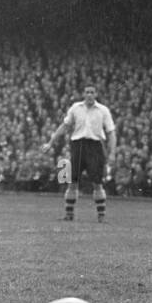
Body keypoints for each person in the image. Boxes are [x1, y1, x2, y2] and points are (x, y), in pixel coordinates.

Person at [42, 84, 116, 222]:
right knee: (72, 181)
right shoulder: (76, 108)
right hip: (78, 145)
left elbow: (111, 132)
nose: (89, 94)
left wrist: (112, 153)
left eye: (92, 92)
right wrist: (50, 143)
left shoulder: (103, 110)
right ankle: (69, 214)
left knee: (97, 182)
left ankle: (101, 216)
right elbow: (64, 126)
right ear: (83, 94)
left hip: (95, 147)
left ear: (96, 94)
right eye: (87, 92)